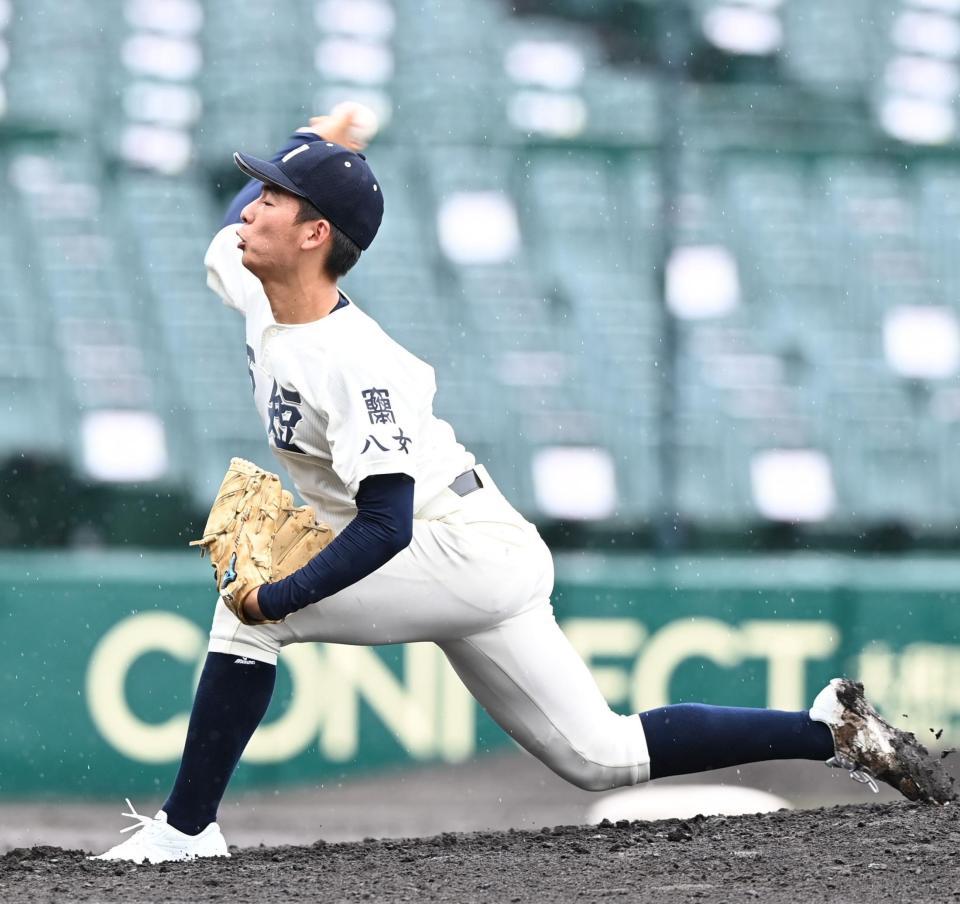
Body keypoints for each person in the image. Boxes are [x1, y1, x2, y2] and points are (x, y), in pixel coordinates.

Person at [93, 108, 952, 864]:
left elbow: (388, 525)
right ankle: (831, 732)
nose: (249, 208)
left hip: (453, 544)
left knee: (249, 619)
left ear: (316, 235)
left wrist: (282, 594)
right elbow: (228, 232)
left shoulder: (360, 365)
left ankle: (186, 829)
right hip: (459, 540)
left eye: (274, 198)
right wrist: (310, 144)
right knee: (600, 755)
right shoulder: (258, 280)